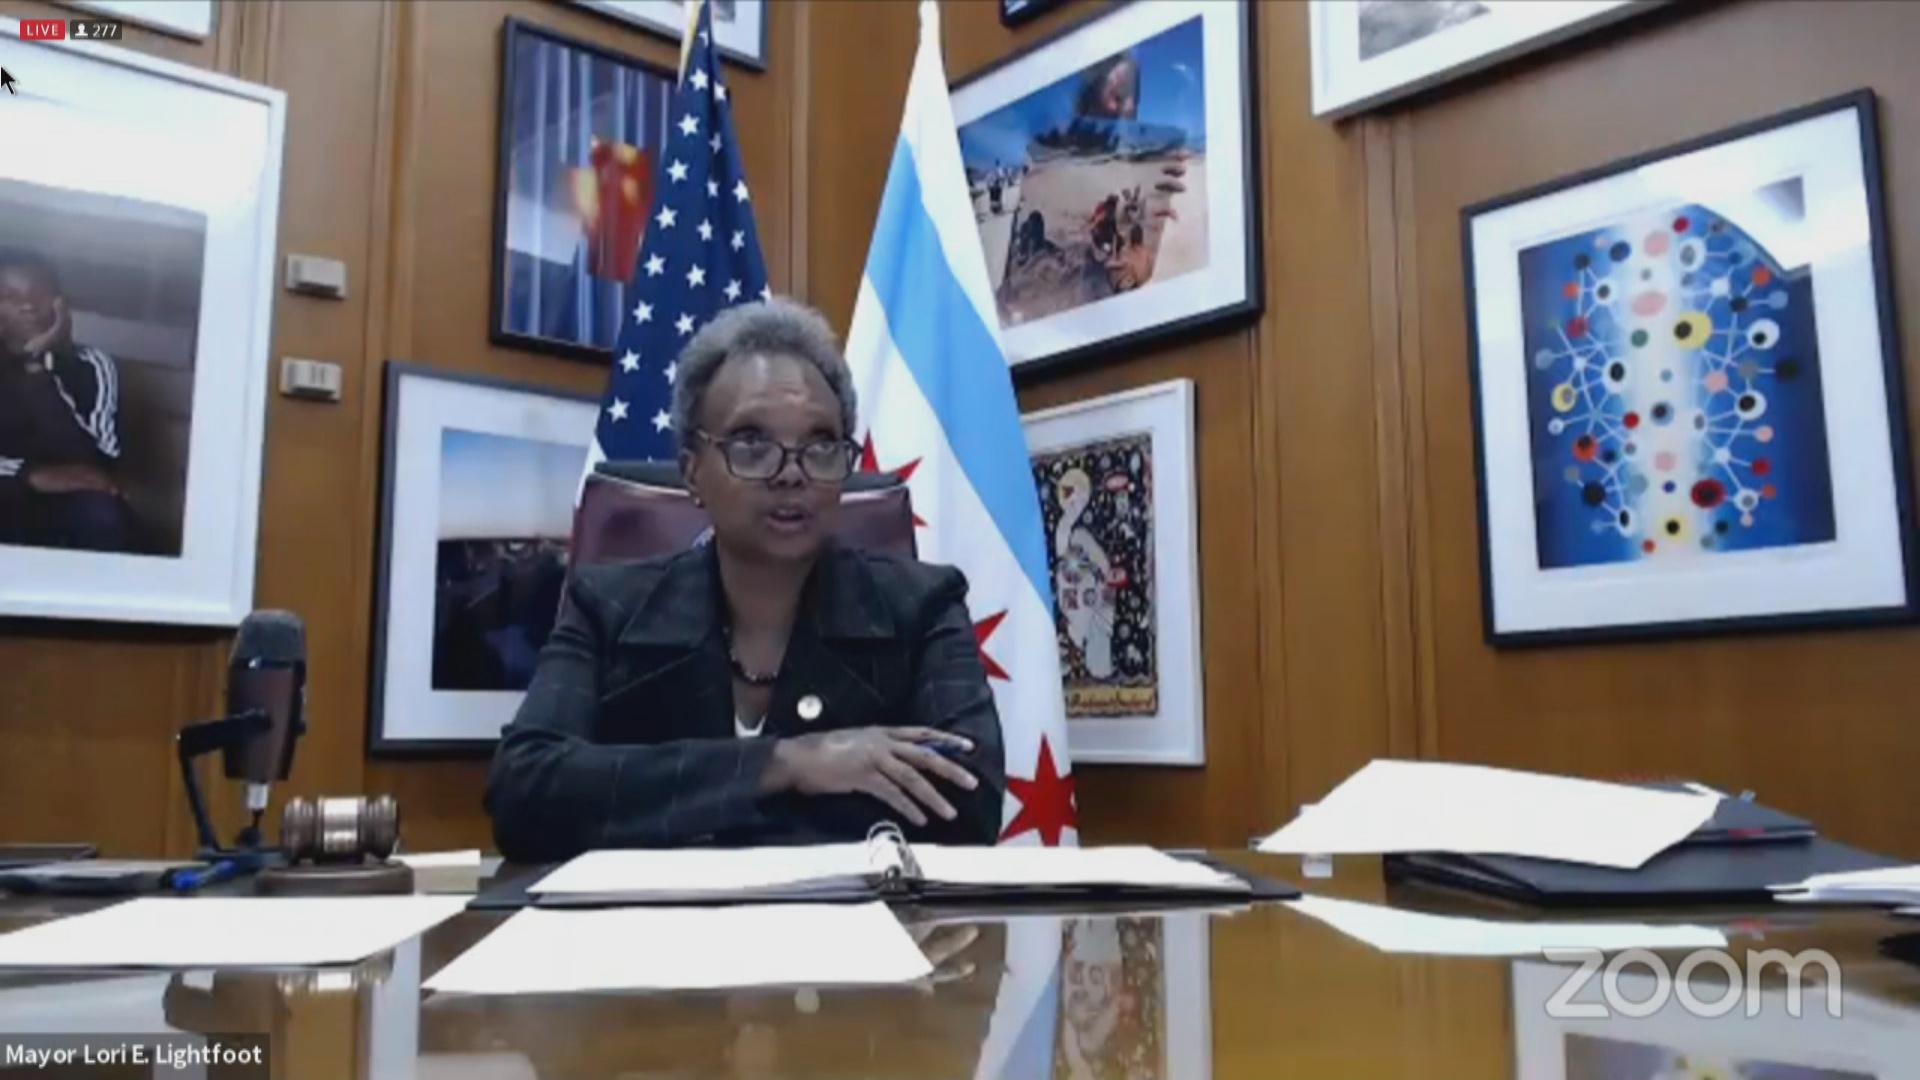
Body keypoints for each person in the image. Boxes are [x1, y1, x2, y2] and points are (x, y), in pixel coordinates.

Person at [485, 297, 1006, 861]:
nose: (790, 473)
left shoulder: (921, 605)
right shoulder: (609, 607)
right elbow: (524, 793)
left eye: (820, 446)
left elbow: (967, 800)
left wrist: (668, 805)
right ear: (692, 472)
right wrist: (788, 764)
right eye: (752, 444)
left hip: (852, 938)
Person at [0, 247, 137, 552]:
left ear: (61, 303)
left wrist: (35, 368)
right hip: (8, 488)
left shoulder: (92, 364)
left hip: (65, 499)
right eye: (10, 296)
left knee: (104, 515)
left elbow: (96, 462)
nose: (28, 305)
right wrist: (29, 476)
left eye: (40, 292)